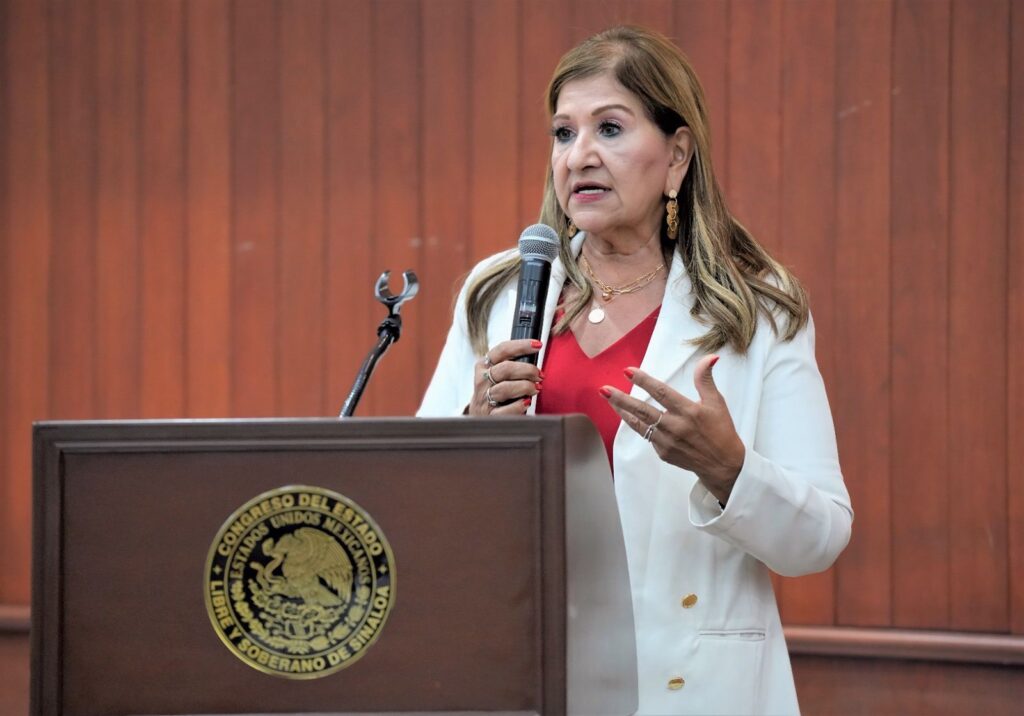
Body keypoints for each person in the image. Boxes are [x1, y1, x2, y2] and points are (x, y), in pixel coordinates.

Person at [418, 25, 851, 716]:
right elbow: (420, 506)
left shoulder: (758, 308)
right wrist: (473, 430)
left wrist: (728, 469)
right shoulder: (499, 293)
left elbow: (820, 538)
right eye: (564, 133)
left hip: (688, 681)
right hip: (524, 669)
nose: (579, 156)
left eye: (610, 129)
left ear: (677, 155)